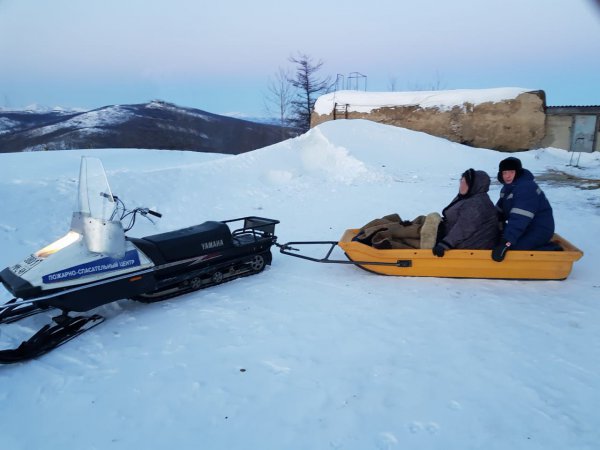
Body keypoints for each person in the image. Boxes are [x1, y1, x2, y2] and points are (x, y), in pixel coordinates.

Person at [492, 156, 555, 262]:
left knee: (513, 250)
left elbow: (520, 218)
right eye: (504, 173)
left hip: (539, 229)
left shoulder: (526, 188)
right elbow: (499, 210)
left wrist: (506, 242)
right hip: (524, 228)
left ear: (518, 172)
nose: (507, 176)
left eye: (511, 172)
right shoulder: (508, 188)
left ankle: (551, 250)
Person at [432, 168, 500, 257]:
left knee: (418, 235)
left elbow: (464, 227)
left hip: (469, 247)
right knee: (423, 224)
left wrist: (445, 244)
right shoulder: (469, 197)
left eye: (464, 181)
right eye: (461, 180)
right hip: (457, 238)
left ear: (474, 185)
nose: (461, 184)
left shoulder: (477, 203)